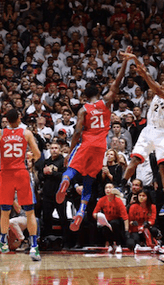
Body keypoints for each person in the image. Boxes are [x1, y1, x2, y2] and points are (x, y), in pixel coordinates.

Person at [56, 53, 128, 232]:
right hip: (101, 146)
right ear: (98, 93)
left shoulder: (84, 110)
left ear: (86, 97)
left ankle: (65, 181)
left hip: (87, 143)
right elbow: (117, 82)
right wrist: (125, 62)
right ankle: (81, 210)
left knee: (71, 169)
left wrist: (70, 152)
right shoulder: (106, 103)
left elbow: (77, 132)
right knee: (89, 180)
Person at [122, 52, 164, 216]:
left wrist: (148, 78)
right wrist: (135, 59)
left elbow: (155, 87)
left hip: (162, 133)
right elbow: (145, 74)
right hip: (148, 130)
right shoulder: (157, 93)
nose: (160, 85)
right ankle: (122, 185)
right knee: (135, 159)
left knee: (162, 167)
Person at [0, 108, 42, 261]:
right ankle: (34, 247)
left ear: (6, 120)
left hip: (5, 174)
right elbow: (38, 154)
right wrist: (30, 157)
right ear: (19, 118)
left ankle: (3, 241)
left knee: (5, 211)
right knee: (30, 212)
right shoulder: (26, 133)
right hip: (21, 173)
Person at [92, 183, 127, 253]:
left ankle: (118, 244)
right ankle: (111, 244)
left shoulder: (118, 200)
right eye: (106, 188)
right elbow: (94, 213)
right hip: (107, 220)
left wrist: (127, 230)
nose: (108, 189)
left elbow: (125, 216)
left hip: (117, 221)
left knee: (114, 223)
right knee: (104, 227)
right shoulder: (101, 200)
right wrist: (98, 216)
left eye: (110, 187)